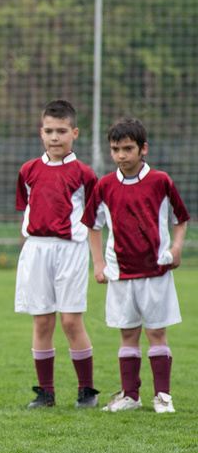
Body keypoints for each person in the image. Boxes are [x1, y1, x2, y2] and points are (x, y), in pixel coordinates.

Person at [83, 117, 189, 413]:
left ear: (143, 149)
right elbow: (93, 226)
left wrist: (176, 247)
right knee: (127, 334)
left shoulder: (161, 181)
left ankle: (163, 396)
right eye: (115, 149)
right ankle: (131, 395)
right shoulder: (104, 185)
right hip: (120, 273)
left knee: (157, 333)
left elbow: (180, 220)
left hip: (155, 270)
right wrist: (98, 262)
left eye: (127, 148)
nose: (120, 155)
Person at [14, 99, 100, 409]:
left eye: (61, 131)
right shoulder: (28, 170)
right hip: (37, 250)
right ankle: (45, 393)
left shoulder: (84, 174)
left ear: (74, 133)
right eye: (49, 131)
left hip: (71, 250)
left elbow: (93, 221)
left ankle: (86, 391)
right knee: (41, 323)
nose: (54, 138)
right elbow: (26, 212)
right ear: (41, 132)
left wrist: (98, 261)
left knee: (70, 322)